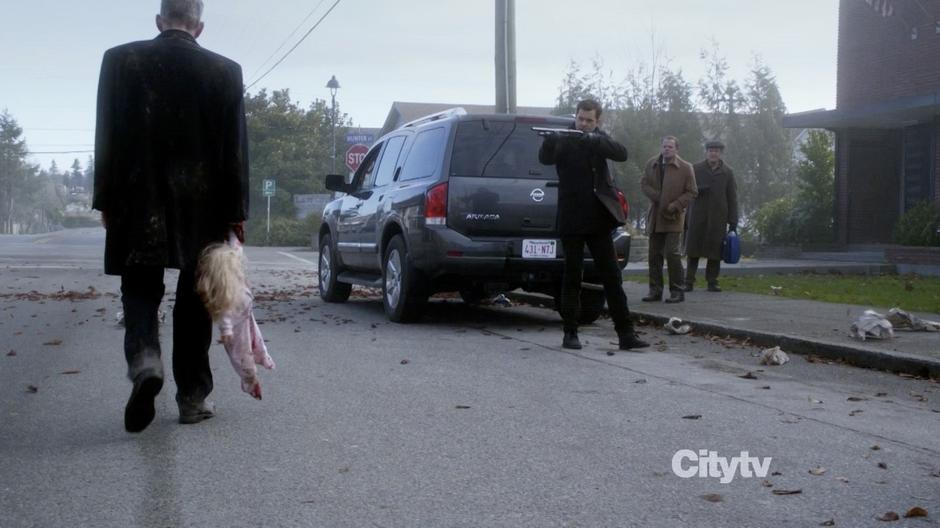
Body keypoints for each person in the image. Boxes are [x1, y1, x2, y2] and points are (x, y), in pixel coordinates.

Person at [93, 0, 249, 433]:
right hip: (204, 204)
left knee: (139, 289)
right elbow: (234, 151)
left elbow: (105, 133)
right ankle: (193, 398)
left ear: (160, 21)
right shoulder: (225, 71)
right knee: (196, 300)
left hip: (135, 199)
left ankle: (145, 361)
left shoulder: (120, 61)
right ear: (199, 27)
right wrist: (237, 214)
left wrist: (104, 199)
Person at [538, 99, 649, 351]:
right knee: (572, 277)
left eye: (589, 120)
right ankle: (570, 333)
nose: (584, 123)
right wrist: (550, 141)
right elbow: (544, 158)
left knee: (611, 277)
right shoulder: (564, 139)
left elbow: (621, 153)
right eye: (581, 119)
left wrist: (595, 140)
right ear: (575, 117)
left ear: (597, 121)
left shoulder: (599, 138)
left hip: (598, 219)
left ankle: (626, 334)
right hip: (572, 218)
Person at [640, 136, 697, 304]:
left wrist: (676, 205)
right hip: (656, 215)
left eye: (670, 147)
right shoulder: (652, 164)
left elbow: (692, 192)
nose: (667, 149)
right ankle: (655, 290)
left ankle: (677, 291)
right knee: (654, 255)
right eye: (664, 146)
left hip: (673, 216)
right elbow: (643, 184)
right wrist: (658, 197)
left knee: (672, 254)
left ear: (676, 149)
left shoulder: (686, 168)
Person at [684, 140, 739, 292]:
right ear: (706, 152)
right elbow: (687, 189)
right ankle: (688, 281)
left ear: (720, 153)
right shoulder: (695, 169)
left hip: (718, 217)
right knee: (693, 250)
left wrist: (733, 221)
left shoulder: (728, 172)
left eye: (716, 151)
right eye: (710, 150)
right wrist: (698, 190)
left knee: (715, 252)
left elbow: (732, 197)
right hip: (697, 215)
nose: (713, 153)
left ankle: (712, 281)